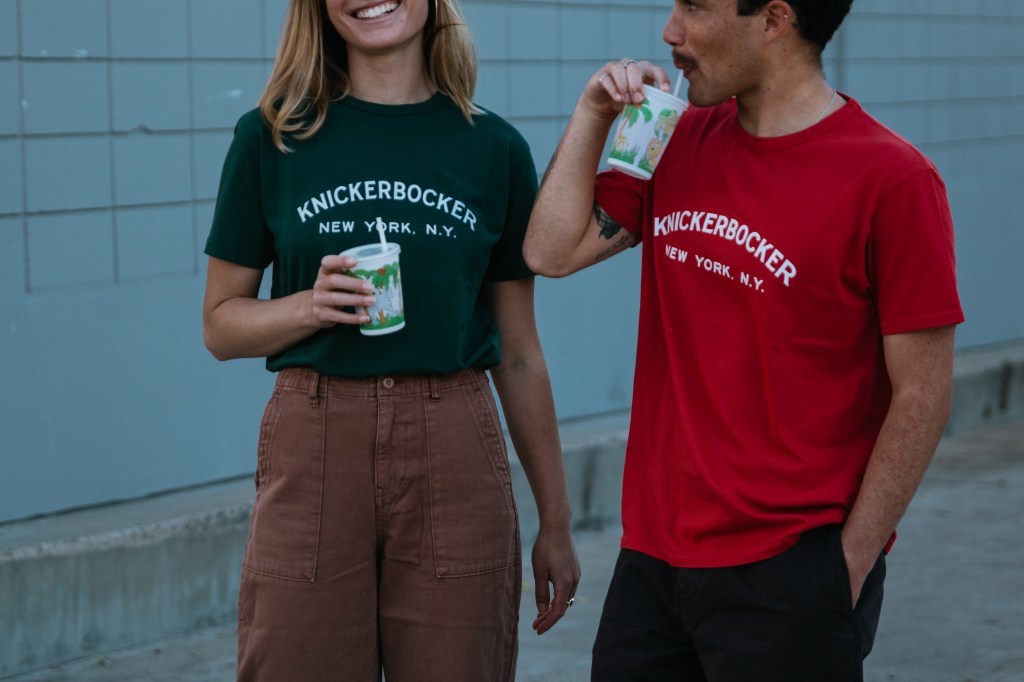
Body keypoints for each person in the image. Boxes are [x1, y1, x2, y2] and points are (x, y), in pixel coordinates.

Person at [524, 0, 963, 680]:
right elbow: (551, 252)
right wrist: (592, 113)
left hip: (790, 570)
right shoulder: (674, 135)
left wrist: (848, 563)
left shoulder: (893, 180)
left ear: (775, 20)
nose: (670, 31)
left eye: (694, 8)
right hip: (653, 563)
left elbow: (924, 393)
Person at [201, 0, 580, 679]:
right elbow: (221, 325)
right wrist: (309, 306)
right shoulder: (271, 136)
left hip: (455, 446)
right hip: (313, 440)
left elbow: (519, 353)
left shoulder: (493, 149)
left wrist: (556, 518)